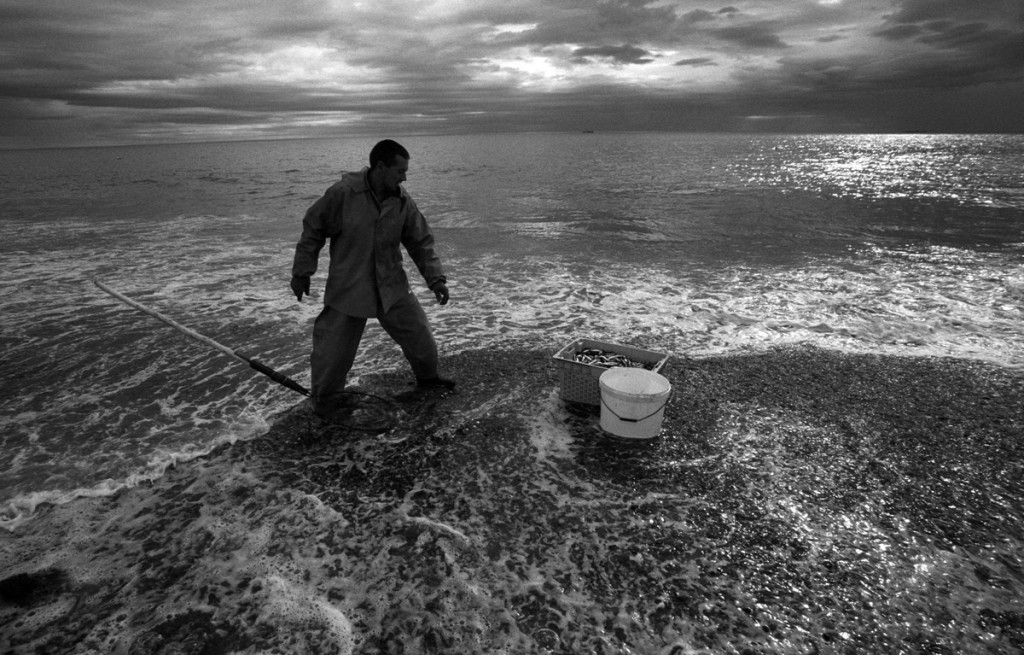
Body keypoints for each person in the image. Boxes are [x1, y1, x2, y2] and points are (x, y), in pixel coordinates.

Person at [290, 139, 454, 417]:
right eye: (400, 171)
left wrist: (436, 280)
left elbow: (420, 242)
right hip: (349, 287)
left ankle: (428, 380)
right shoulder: (343, 194)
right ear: (380, 167)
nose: (404, 177)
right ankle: (326, 401)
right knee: (332, 355)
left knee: (420, 337)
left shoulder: (402, 201)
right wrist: (302, 272)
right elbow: (313, 228)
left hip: (392, 286)